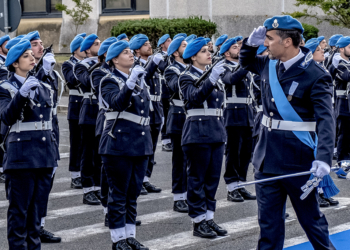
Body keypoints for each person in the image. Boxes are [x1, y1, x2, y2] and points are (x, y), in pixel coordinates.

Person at [240, 15, 336, 249]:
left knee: (311, 222)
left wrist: (323, 158)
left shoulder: (315, 74)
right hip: (266, 159)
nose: (265, 43)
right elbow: (245, 61)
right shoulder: (267, 64)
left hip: (298, 161)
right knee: (269, 226)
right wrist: (249, 44)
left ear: (287, 42)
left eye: (270, 39)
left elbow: (326, 120)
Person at [0, 39, 58, 250]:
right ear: (15, 63)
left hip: (43, 156)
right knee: (19, 214)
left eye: (32, 55)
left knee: (36, 215)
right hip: (21, 157)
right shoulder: (5, 88)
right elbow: (6, 116)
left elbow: (50, 124)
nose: (32, 58)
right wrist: (22, 94)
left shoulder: (43, 86)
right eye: (26, 56)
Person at [99, 40, 152, 250]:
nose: (131, 55)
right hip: (118, 143)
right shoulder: (108, 80)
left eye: (131, 52)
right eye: (125, 52)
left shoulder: (138, 79)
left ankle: (130, 235)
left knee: (133, 193)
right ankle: (118, 239)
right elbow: (116, 103)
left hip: (139, 142)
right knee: (119, 193)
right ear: (113, 59)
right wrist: (129, 84)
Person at [179, 37, 227, 239]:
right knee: (197, 179)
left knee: (212, 179)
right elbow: (195, 97)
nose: (209, 54)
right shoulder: (186, 76)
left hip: (216, 131)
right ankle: (198, 221)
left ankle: (209, 217)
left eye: (209, 50)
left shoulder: (211, 75)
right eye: (204, 51)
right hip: (197, 133)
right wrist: (211, 79)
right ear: (192, 56)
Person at [22, 30, 62, 243]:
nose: (40, 48)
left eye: (40, 44)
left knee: (45, 186)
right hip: (29, 138)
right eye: (34, 45)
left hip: (50, 131)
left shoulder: (49, 70)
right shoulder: (23, 71)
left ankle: (40, 225)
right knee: (29, 190)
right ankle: (30, 228)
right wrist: (42, 71)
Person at [219, 37, 256, 202]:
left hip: (247, 114)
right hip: (232, 114)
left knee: (246, 152)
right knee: (234, 152)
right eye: (235, 48)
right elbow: (231, 80)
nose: (239, 50)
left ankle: (241, 183)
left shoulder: (241, 67)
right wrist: (246, 65)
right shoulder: (223, 67)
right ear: (227, 52)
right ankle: (232, 186)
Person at [130, 34, 164, 195]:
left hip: (155, 109)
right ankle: (138, 179)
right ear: (137, 49)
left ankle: (145, 178)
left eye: (149, 43)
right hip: (144, 111)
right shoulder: (135, 65)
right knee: (142, 149)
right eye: (145, 44)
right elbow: (143, 77)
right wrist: (153, 64)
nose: (149, 46)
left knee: (151, 148)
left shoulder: (153, 64)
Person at [74, 33, 102, 205]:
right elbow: (86, 81)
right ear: (88, 48)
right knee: (87, 152)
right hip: (89, 111)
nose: (99, 46)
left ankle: (98, 186)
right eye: (96, 44)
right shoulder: (81, 66)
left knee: (99, 153)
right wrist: (97, 66)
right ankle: (87, 189)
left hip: (101, 112)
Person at [91, 36, 117, 225]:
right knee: (108, 171)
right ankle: (108, 210)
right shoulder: (99, 73)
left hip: (125, 127)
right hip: (107, 124)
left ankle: (119, 210)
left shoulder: (125, 72)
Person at [164, 36, 189, 213]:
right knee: (180, 160)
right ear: (175, 52)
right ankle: (179, 197)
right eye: (184, 46)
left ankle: (190, 194)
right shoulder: (171, 69)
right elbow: (175, 87)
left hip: (194, 118)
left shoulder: (192, 68)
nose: (187, 49)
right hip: (179, 117)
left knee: (193, 160)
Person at [61, 33, 86, 189]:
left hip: (89, 107)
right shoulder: (68, 64)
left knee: (88, 143)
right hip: (77, 107)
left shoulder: (89, 63)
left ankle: (86, 172)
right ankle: (75, 175)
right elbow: (72, 80)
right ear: (76, 49)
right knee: (76, 143)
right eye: (83, 47)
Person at [331, 37, 350, 171]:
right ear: (342, 49)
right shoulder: (339, 63)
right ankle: (342, 161)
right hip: (343, 103)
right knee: (344, 133)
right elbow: (346, 77)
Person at [157, 34, 173, 152]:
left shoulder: (172, 55)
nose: (170, 42)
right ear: (162, 45)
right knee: (165, 115)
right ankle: (165, 140)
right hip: (164, 90)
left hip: (172, 90)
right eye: (168, 41)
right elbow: (163, 67)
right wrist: (168, 56)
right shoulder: (159, 56)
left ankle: (172, 138)